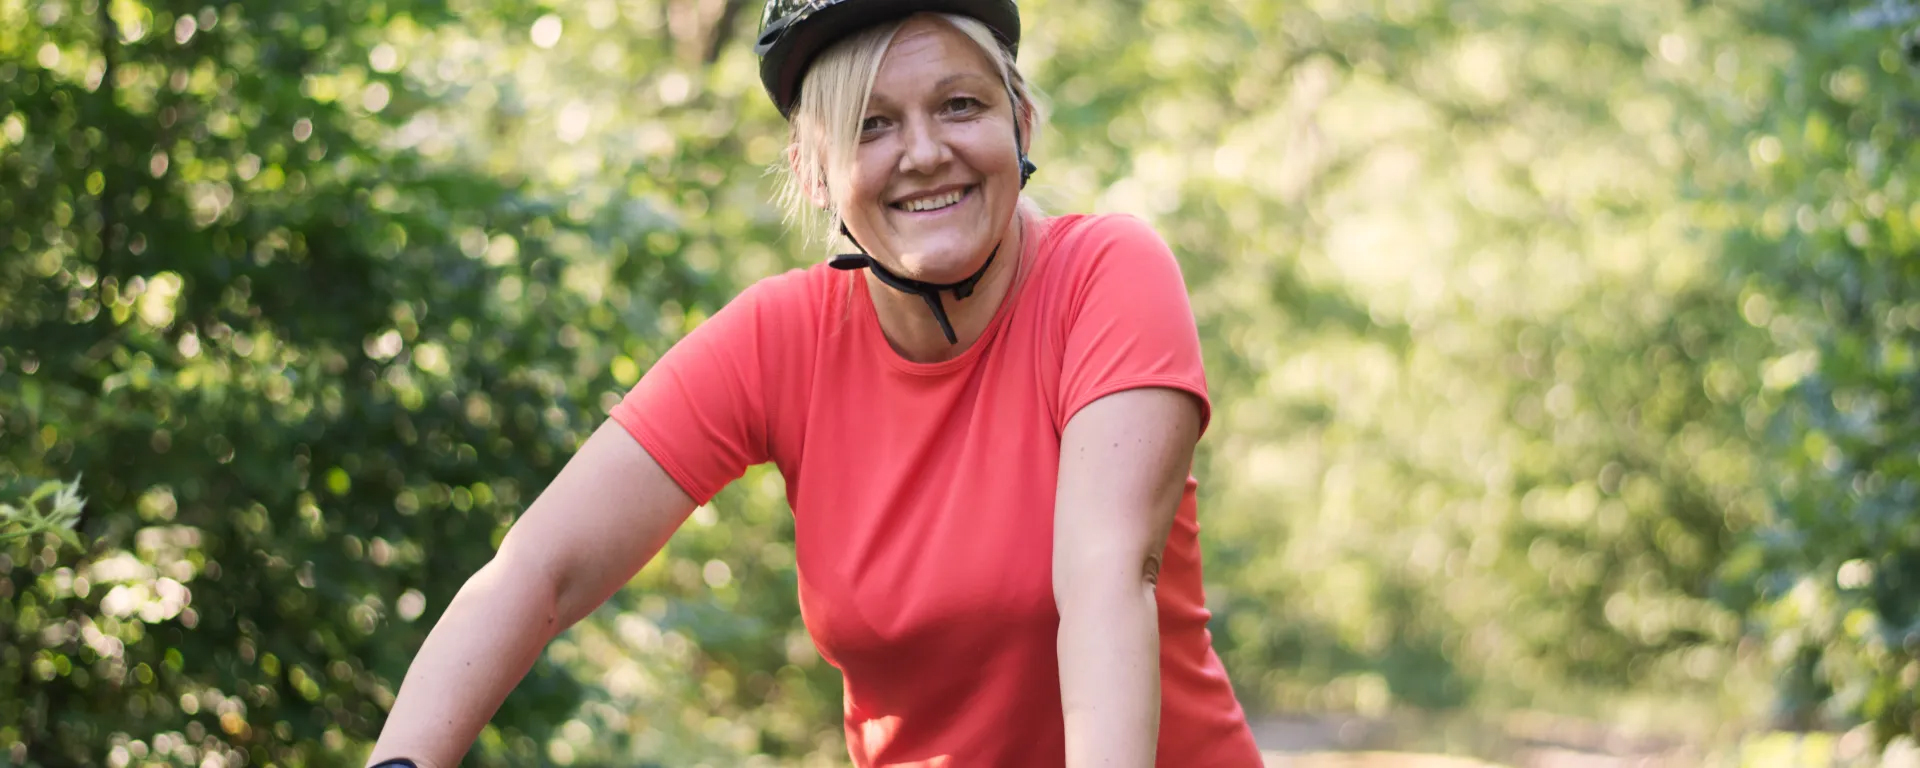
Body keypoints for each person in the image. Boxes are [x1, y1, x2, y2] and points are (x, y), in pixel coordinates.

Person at [365, 0, 1263, 765]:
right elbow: (536, 572)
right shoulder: (779, 339)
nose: (923, 153)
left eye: (959, 105)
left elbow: (1106, 580)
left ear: (1020, 125)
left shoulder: (1107, 275)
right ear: (812, 166)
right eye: (872, 123)